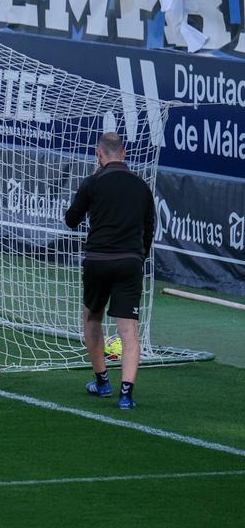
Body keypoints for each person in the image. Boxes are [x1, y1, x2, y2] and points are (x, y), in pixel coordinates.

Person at [64, 131, 155, 410]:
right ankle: (126, 395)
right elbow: (149, 228)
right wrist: (139, 257)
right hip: (130, 261)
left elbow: (71, 220)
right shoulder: (141, 186)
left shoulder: (93, 182)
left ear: (99, 154)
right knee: (128, 330)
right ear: (124, 154)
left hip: (98, 260)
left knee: (92, 318)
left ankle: (102, 382)